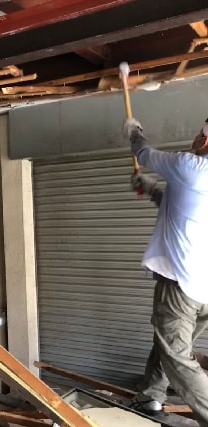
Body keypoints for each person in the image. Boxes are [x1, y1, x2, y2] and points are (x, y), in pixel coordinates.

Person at [125, 117, 208, 426]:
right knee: (167, 343)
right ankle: (150, 396)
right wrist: (151, 190)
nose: (196, 136)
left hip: (181, 286)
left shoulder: (190, 165)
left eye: (200, 132)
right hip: (204, 290)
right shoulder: (195, 176)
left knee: (177, 357)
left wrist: (133, 131)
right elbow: (184, 208)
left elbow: (143, 152)